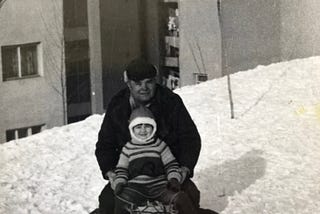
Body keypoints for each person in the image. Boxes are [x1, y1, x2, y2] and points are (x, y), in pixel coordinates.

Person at [95, 58, 217, 214]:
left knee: (189, 198)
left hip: (166, 174)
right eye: (138, 83)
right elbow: (105, 144)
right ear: (129, 83)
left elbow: (189, 138)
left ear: (155, 81)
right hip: (131, 176)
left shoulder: (171, 102)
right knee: (108, 203)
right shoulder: (118, 105)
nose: (144, 88)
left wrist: (183, 170)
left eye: (149, 82)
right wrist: (112, 174)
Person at [113, 106, 198, 214]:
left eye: (147, 126)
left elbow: (171, 165)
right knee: (121, 199)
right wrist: (120, 182)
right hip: (136, 188)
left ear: (153, 127)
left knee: (180, 198)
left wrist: (173, 179)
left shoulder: (160, 145)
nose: (143, 130)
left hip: (159, 187)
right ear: (132, 129)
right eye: (138, 126)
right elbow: (122, 169)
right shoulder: (128, 148)